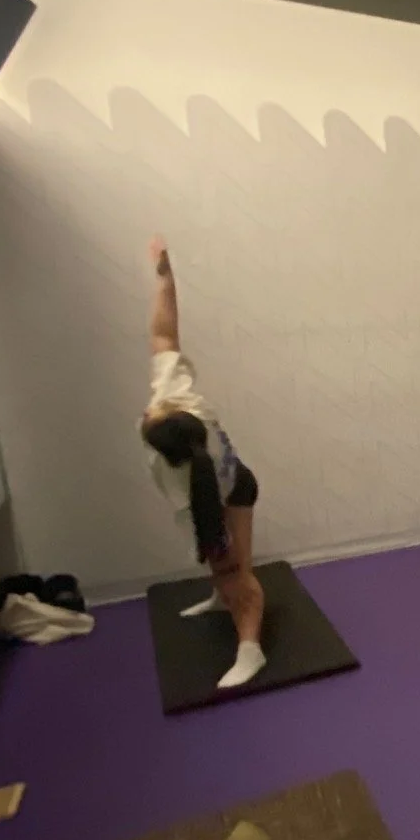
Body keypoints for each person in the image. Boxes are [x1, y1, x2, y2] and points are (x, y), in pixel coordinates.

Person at [138, 236, 266, 690]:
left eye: (149, 416)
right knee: (221, 568)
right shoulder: (179, 399)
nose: (149, 409)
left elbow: (202, 528)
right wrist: (164, 278)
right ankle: (219, 595)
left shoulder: (175, 476)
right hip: (222, 483)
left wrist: (223, 566)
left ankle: (250, 648)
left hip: (236, 490)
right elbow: (164, 334)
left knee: (236, 572)